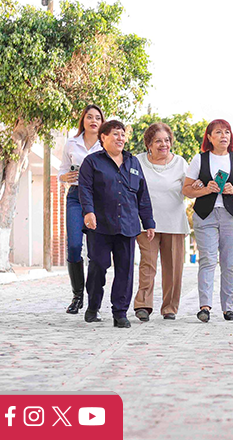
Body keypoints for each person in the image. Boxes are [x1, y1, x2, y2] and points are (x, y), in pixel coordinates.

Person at [78, 120, 155, 328]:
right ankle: (93, 306)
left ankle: (120, 313)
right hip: (100, 225)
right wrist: (89, 212)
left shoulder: (133, 163)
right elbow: (84, 190)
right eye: (115, 134)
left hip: (128, 225)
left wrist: (148, 222)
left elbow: (143, 194)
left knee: (125, 270)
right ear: (103, 137)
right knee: (98, 266)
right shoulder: (92, 162)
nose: (120, 138)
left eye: (122, 134)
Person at [182, 119, 233, 322]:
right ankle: (205, 307)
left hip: (232, 215)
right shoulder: (200, 159)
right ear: (209, 137)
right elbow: (186, 190)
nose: (224, 136)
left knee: (230, 263)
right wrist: (206, 189)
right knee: (207, 260)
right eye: (218, 132)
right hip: (205, 215)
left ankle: (228, 308)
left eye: (227, 132)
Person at [133, 122, 189, 321]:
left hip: (175, 222)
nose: (163, 144)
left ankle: (170, 308)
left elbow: (189, 189)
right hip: (146, 223)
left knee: (173, 268)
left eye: (167, 140)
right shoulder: (137, 162)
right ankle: (143, 305)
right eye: (158, 141)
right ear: (149, 143)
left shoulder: (181, 163)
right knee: (148, 264)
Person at [57, 105, 105, 314]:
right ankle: (77, 295)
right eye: (89, 117)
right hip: (76, 197)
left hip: (99, 200)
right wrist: (63, 177)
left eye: (98, 118)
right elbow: (62, 171)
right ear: (83, 120)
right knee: (75, 246)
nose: (93, 121)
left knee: (96, 252)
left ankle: (94, 297)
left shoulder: (106, 145)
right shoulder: (71, 143)